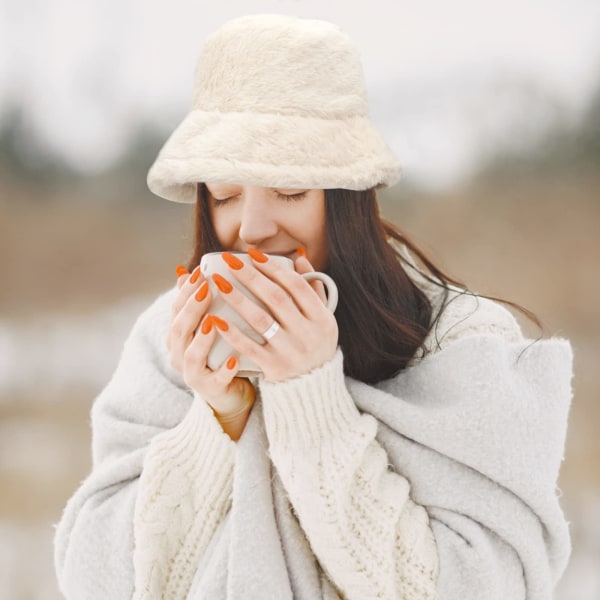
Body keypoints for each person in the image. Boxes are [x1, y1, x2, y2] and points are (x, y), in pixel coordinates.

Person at [54, 14, 573, 600]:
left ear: (348, 198)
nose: (251, 228)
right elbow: (97, 579)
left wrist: (311, 400)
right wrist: (217, 421)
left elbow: (480, 585)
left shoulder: (462, 341)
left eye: (290, 191)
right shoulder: (168, 340)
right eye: (224, 195)